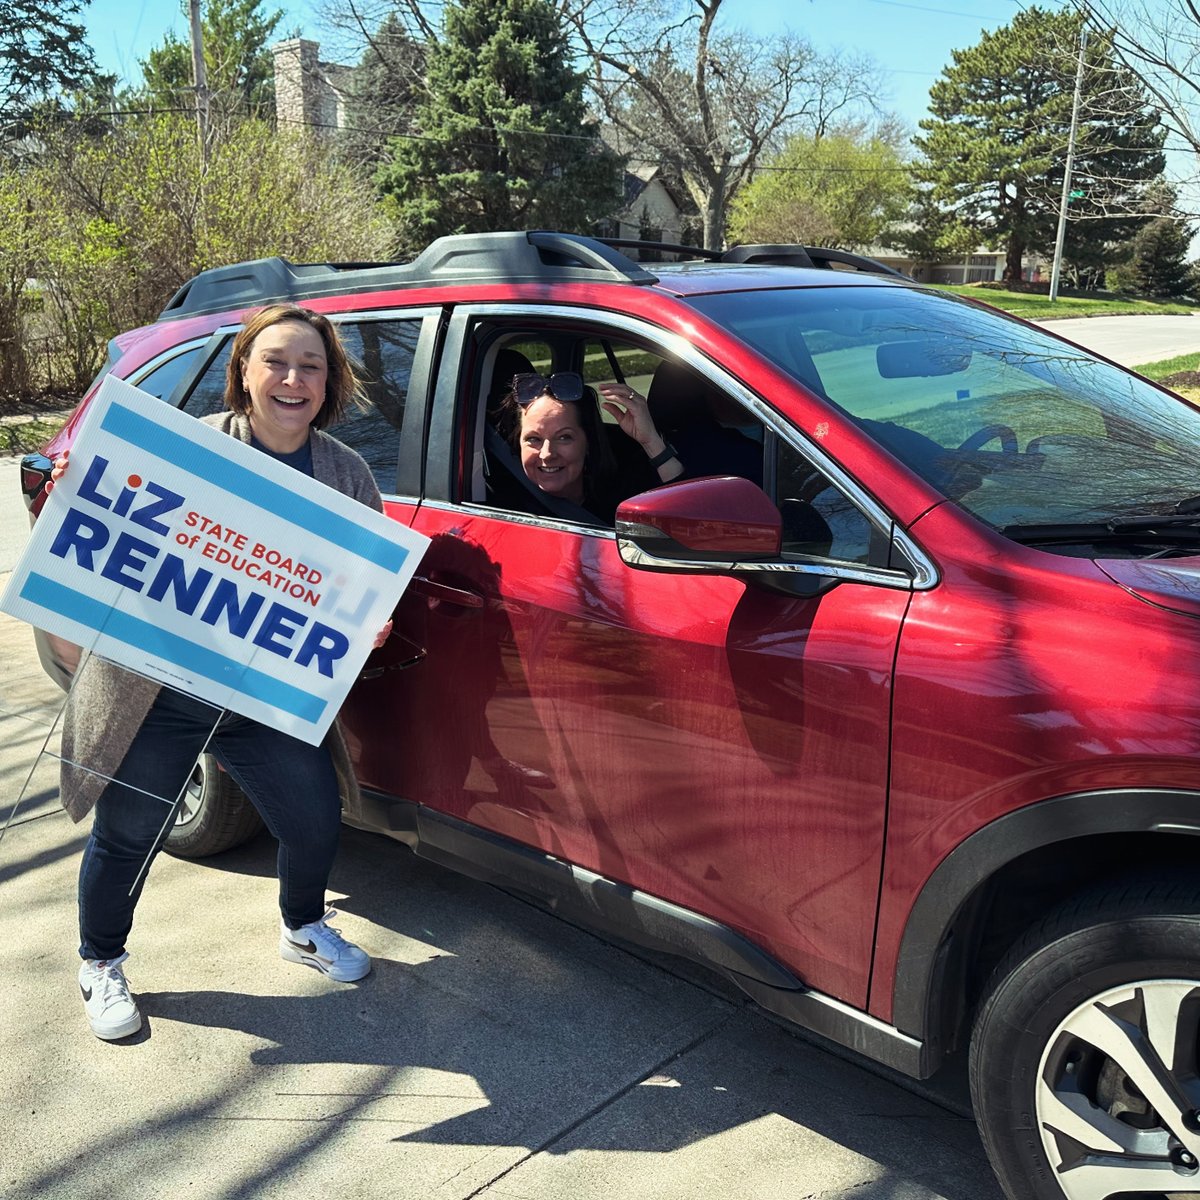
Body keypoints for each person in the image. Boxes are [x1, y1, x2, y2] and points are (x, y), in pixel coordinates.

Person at [53, 304, 392, 1041]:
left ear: (329, 381)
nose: (293, 378)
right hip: (162, 692)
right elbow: (111, 542)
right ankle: (100, 962)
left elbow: (357, 588)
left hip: (264, 699)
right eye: (275, 360)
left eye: (311, 365)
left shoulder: (346, 472)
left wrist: (366, 625)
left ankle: (302, 927)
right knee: (129, 831)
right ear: (243, 370)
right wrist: (78, 498)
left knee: (312, 820)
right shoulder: (188, 452)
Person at [500, 371, 685, 522]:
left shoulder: (622, 496)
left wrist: (650, 440)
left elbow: (684, 513)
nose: (547, 454)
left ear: (588, 442)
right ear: (518, 443)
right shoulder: (502, 513)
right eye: (533, 439)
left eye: (564, 437)